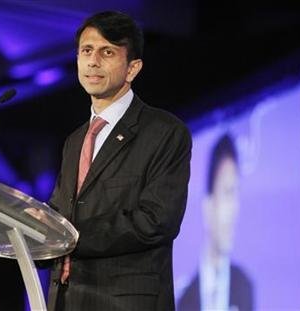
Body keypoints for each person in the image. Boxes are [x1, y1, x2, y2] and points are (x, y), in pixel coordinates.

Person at [47, 11, 192, 311]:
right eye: (86, 51)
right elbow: (60, 212)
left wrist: (70, 235)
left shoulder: (164, 132)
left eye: (107, 52)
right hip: (66, 301)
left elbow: (155, 221)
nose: (93, 61)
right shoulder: (75, 141)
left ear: (132, 68)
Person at [177, 133, 254, 311]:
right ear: (208, 206)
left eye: (236, 195)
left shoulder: (245, 287)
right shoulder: (185, 300)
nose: (234, 209)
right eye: (228, 193)